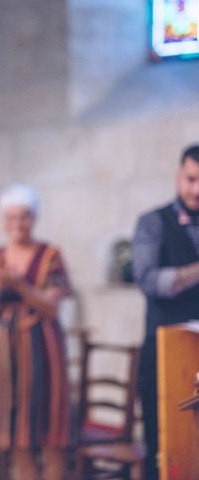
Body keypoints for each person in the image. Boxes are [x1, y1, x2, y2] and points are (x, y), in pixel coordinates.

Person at [0, 184, 71, 480]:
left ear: (34, 218)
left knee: (53, 435)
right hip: (7, 355)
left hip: (46, 351)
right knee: (16, 438)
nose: (17, 224)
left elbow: (52, 307)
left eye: (24, 217)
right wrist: (0, 284)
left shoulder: (51, 255)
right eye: (11, 218)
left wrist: (21, 287)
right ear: (3, 220)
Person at [132, 144, 199, 480]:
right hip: (164, 351)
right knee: (164, 445)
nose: (197, 190)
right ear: (178, 176)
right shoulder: (152, 223)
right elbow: (148, 280)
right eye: (191, 179)